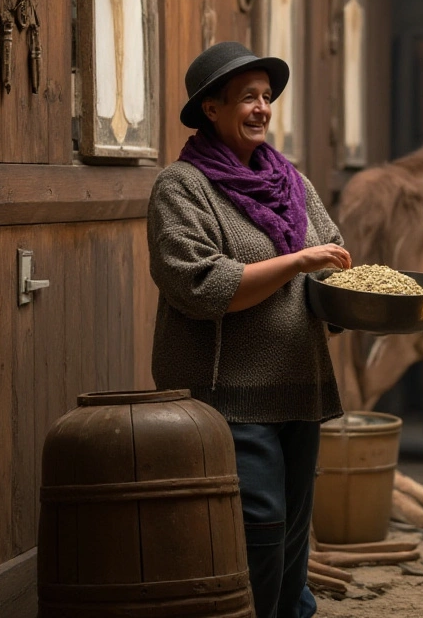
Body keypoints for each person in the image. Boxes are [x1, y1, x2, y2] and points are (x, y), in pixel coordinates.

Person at [146, 41, 352, 618]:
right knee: (258, 530)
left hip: (300, 386)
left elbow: (330, 268)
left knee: (291, 537)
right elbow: (201, 287)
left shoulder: (293, 183)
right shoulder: (182, 188)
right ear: (211, 109)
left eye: (266, 97)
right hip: (227, 396)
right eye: (247, 98)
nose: (262, 108)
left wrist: (358, 299)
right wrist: (297, 263)